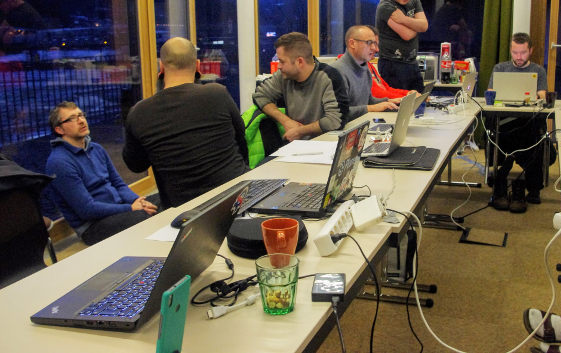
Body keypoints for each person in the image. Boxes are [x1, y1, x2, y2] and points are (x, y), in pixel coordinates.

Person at [123, 37, 249, 207]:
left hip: (184, 211)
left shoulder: (139, 112)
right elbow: (241, 137)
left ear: (161, 67)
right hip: (238, 197)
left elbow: (136, 165)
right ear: (197, 65)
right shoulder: (217, 94)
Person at [45, 102, 157, 245]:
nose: (81, 121)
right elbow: (87, 209)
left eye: (81, 115)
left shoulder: (96, 148)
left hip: (119, 209)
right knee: (144, 218)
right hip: (93, 226)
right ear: (59, 129)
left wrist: (137, 201)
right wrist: (130, 208)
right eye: (72, 118)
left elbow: (118, 184)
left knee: (165, 200)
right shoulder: (59, 162)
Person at [487, 33, 552, 214]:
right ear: (511, 50)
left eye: (523, 52)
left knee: (532, 134)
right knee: (517, 135)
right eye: (515, 52)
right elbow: (490, 92)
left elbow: (542, 95)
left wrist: (533, 96)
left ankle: (510, 182)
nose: (519, 57)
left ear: (530, 51)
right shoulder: (500, 68)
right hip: (505, 120)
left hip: (528, 120)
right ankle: (515, 185)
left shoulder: (538, 70)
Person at [253, 32, 351, 141]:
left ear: (299, 61)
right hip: (295, 145)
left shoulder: (329, 77)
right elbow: (260, 96)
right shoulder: (283, 75)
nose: (279, 66)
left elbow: (336, 120)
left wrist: (300, 131)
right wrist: (286, 121)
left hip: (324, 144)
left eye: (282, 61)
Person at [332, 25, 402, 120]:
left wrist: (389, 102)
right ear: (352, 43)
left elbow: (368, 100)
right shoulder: (336, 72)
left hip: (361, 124)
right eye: (369, 43)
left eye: (375, 43)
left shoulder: (365, 68)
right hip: (345, 127)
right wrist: (372, 108)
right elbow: (338, 113)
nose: (376, 49)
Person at [376, 0, 429, 92]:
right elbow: (407, 35)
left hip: (411, 61)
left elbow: (425, 26)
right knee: (399, 101)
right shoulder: (386, 6)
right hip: (392, 64)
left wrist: (404, 19)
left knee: (419, 98)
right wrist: (417, 25)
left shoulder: (414, 0)